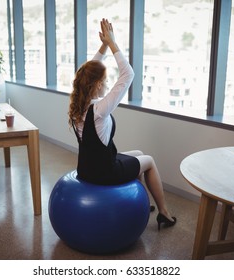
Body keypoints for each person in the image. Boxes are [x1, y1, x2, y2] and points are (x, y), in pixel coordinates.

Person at [68, 18, 176, 230]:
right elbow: (128, 74)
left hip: (86, 168)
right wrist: (114, 43)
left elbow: (87, 72)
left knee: (137, 153)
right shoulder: (100, 109)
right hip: (104, 173)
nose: (107, 85)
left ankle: (140, 203)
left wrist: (104, 46)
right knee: (150, 160)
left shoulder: (78, 105)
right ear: (98, 85)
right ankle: (164, 212)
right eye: (106, 82)